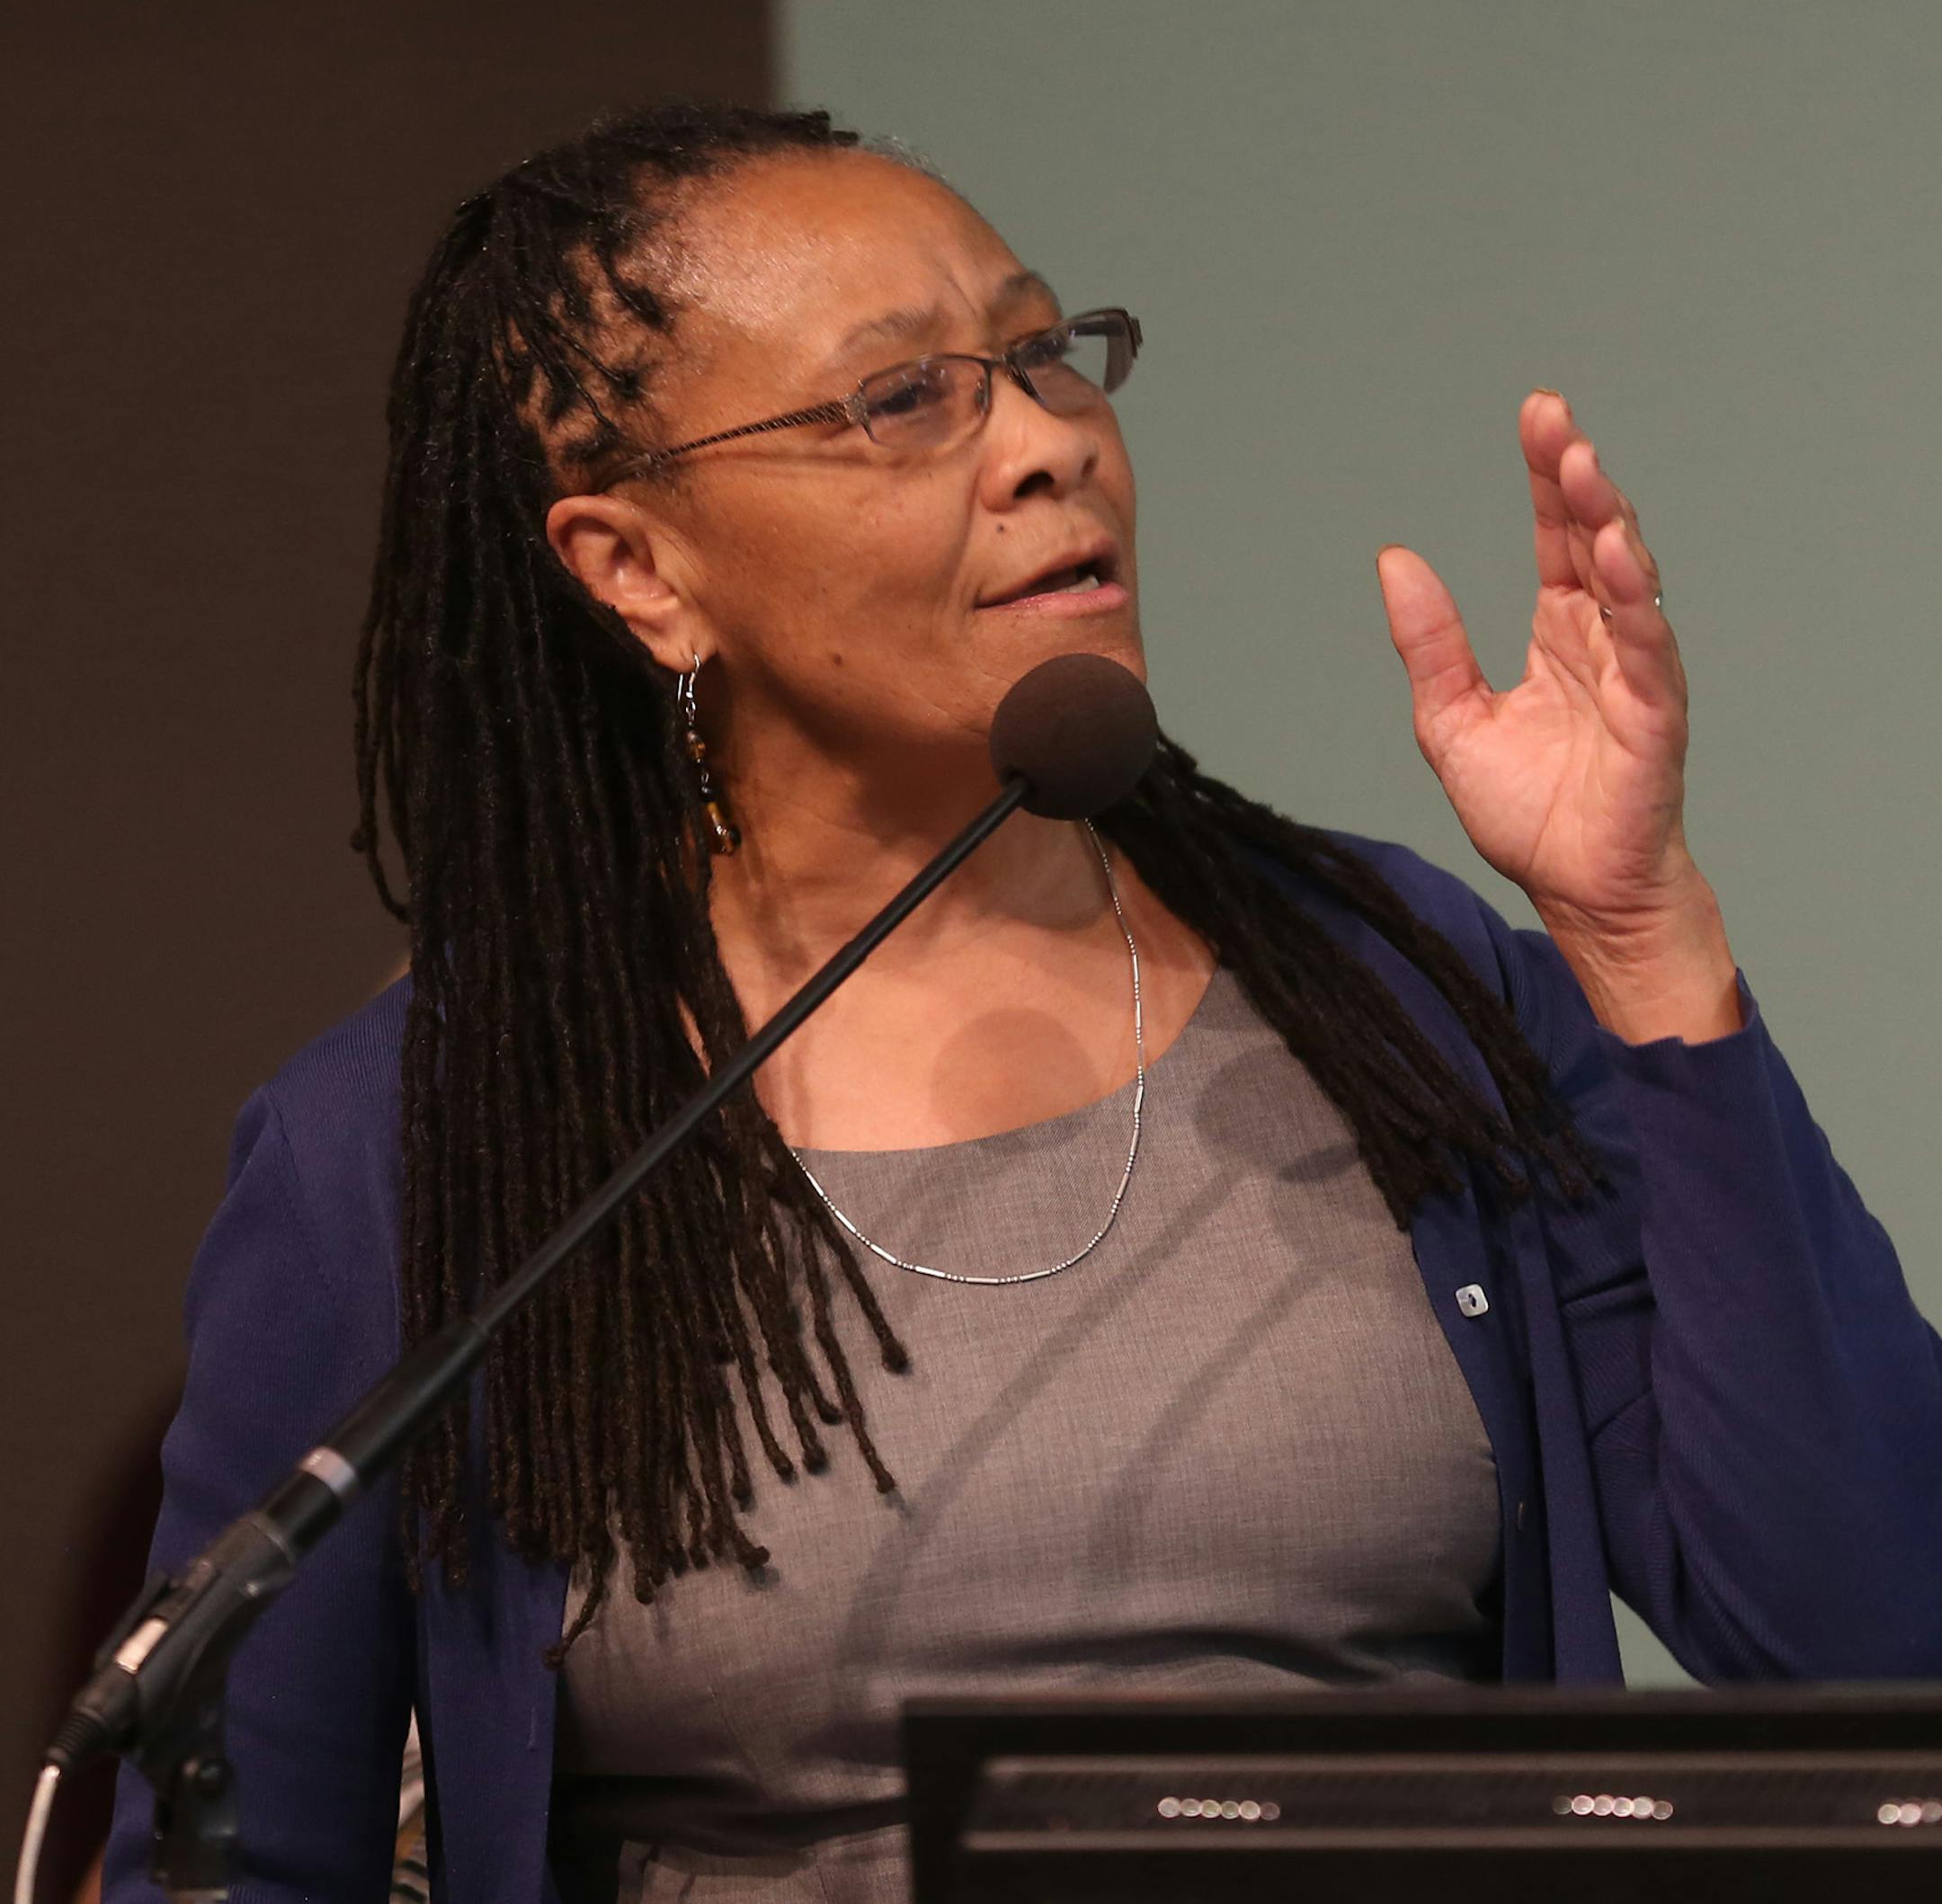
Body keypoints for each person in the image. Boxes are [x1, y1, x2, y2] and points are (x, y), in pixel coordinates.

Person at [104, 102, 1942, 1904]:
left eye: (1045, 356)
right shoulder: (426, 1141)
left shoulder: (1398, 988)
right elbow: (246, 1852)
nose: (1050, 444)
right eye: (907, 398)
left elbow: (1870, 1644)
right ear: (637, 568)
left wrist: (1643, 945)